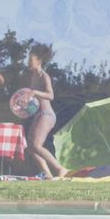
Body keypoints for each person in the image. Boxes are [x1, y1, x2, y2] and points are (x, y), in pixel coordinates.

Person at [23, 43, 68, 179]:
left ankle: (60, 168)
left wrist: (35, 92)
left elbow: (50, 95)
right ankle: (47, 174)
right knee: (31, 146)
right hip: (38, 114)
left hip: (47, 114)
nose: (28, 63)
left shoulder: (44, 76)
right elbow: (34, 99)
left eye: (31, 60)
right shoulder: (33, 77)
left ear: (39, 61)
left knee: (36, 145)